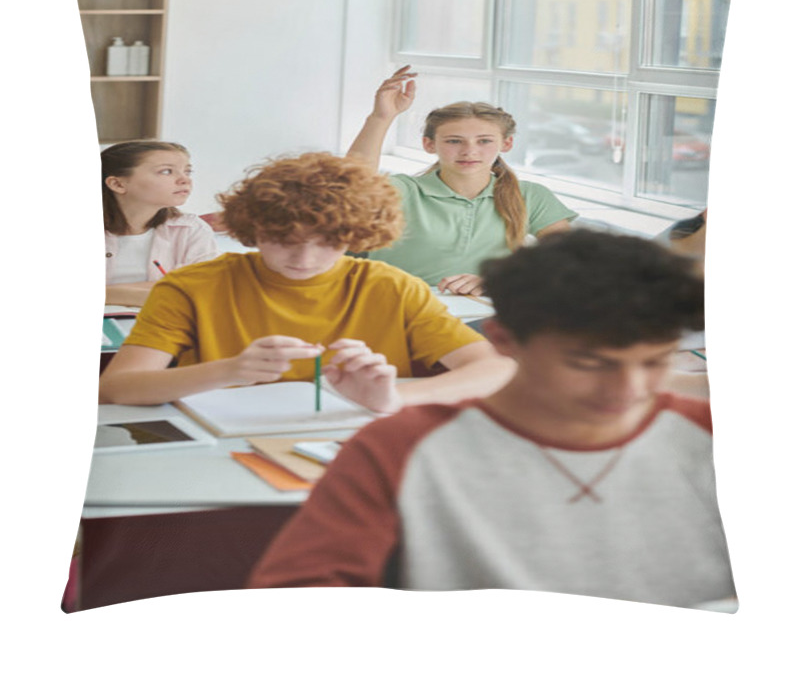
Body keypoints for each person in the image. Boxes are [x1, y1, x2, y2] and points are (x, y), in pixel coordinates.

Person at [247, 229, 736, 610]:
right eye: (589, 364)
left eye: (656, 362)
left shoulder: (713, 436)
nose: (629, 391)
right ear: (503, 339)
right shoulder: (401, 449)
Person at [98, 152, 514, 412]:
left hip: (352, 447)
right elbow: (116, 387)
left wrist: (392, 399)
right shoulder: (192, 286)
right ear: (252, 230)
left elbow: (494, 370)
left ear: (355, 237)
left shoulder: (391, 286)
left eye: (329, 243)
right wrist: (229, 370)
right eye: (283, 241)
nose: (304, 259)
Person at [346, 66, 577, 295]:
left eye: (484, 141)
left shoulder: (531, 195)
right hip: (397, 305)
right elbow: (352, 183)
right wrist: (381, 117)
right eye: (454, 141)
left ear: (506, 144)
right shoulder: (403, 191)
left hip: (481, 311)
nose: (470, 151)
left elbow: (569, 257)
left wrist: (495, 280)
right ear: (429, 144)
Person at [102, 140, 219, 307]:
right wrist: (160, 293)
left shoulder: (191, 230)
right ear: (118, 184)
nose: (184, 180)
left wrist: (108, 293)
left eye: (187, 171)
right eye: (166, 171)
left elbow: (204, 290)